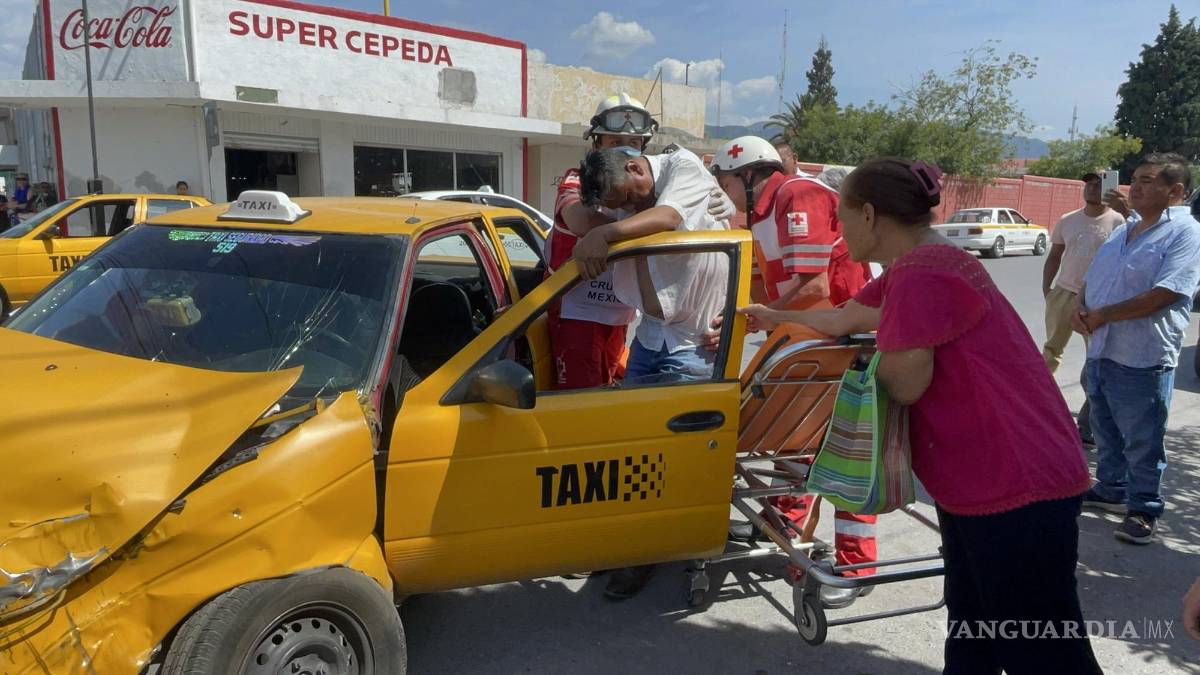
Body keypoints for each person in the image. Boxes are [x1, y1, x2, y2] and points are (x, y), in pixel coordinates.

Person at [740, 157, 1101, 674]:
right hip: (986, 479)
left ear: (868, 215)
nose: (838, 229)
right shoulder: (923, 262)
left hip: (1016, 479)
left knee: (1041, 648)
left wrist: (861, 366)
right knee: (974, 630)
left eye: (841, 216)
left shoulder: (923, 273)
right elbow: (847, 316)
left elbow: (907, 383)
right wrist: (776, 317)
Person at [708, 136, 876, 609]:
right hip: (816, 338)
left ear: (745, 174)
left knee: (846, 455)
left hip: (845, 342)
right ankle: (784, 528)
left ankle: (855, 565)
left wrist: (767, 313)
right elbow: (771, 280)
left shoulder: (795, 196)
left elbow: (813, 283)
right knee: (794, 440)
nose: (721, 191)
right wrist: (738, 312)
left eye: (723, 181)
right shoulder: (765, 211)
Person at [576, 144, 730, 599]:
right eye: (617, 205)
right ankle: (640, 544)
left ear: (635, 164)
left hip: (694, 345)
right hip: (649, 339)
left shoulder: (682, 169)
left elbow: (667, 219)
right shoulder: (629, 201)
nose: (627, 207)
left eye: (627, 194)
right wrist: (599, 227)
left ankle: (664, 552)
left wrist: (606, 234)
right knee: (636, 455)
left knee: (678, 461)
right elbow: (579, 220)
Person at [547, 93, 733, 390]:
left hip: (628, 317)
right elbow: (584, 220)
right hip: (581, 311)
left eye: (633, 143)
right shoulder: (592, 183)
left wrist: (710, 203)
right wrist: (665, 220)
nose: (625, 148)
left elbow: (677, 226)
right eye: (614, 141)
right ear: (597, 144)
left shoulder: (660, 184)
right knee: (583, 401)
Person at [1075, 152, 1200, 545]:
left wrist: (1102, 316)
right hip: (1101, 348)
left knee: (1143, 438)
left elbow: (1164, 294)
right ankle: (1111, 489)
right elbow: (1096, 277)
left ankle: (1144, 507)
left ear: (1175, 190)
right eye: (1135, 178)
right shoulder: (1125, 229)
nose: (1136, 187)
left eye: (1148, 180)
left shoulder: (1186, 234)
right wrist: (1081, 307)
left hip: (1142, 357)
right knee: (1104, 427)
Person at [1042, 173, 1124, 446]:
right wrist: (1048, 290)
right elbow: (1055, 256)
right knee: (1051, 352)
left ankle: (1086, 424)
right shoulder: (1068, 219)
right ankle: (1040, 409)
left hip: (1098, 299)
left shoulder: (1119, 221)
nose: (1092, 188)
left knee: (1096, 362)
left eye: (1100, 184)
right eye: (1089, 184)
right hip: (1064, 293)